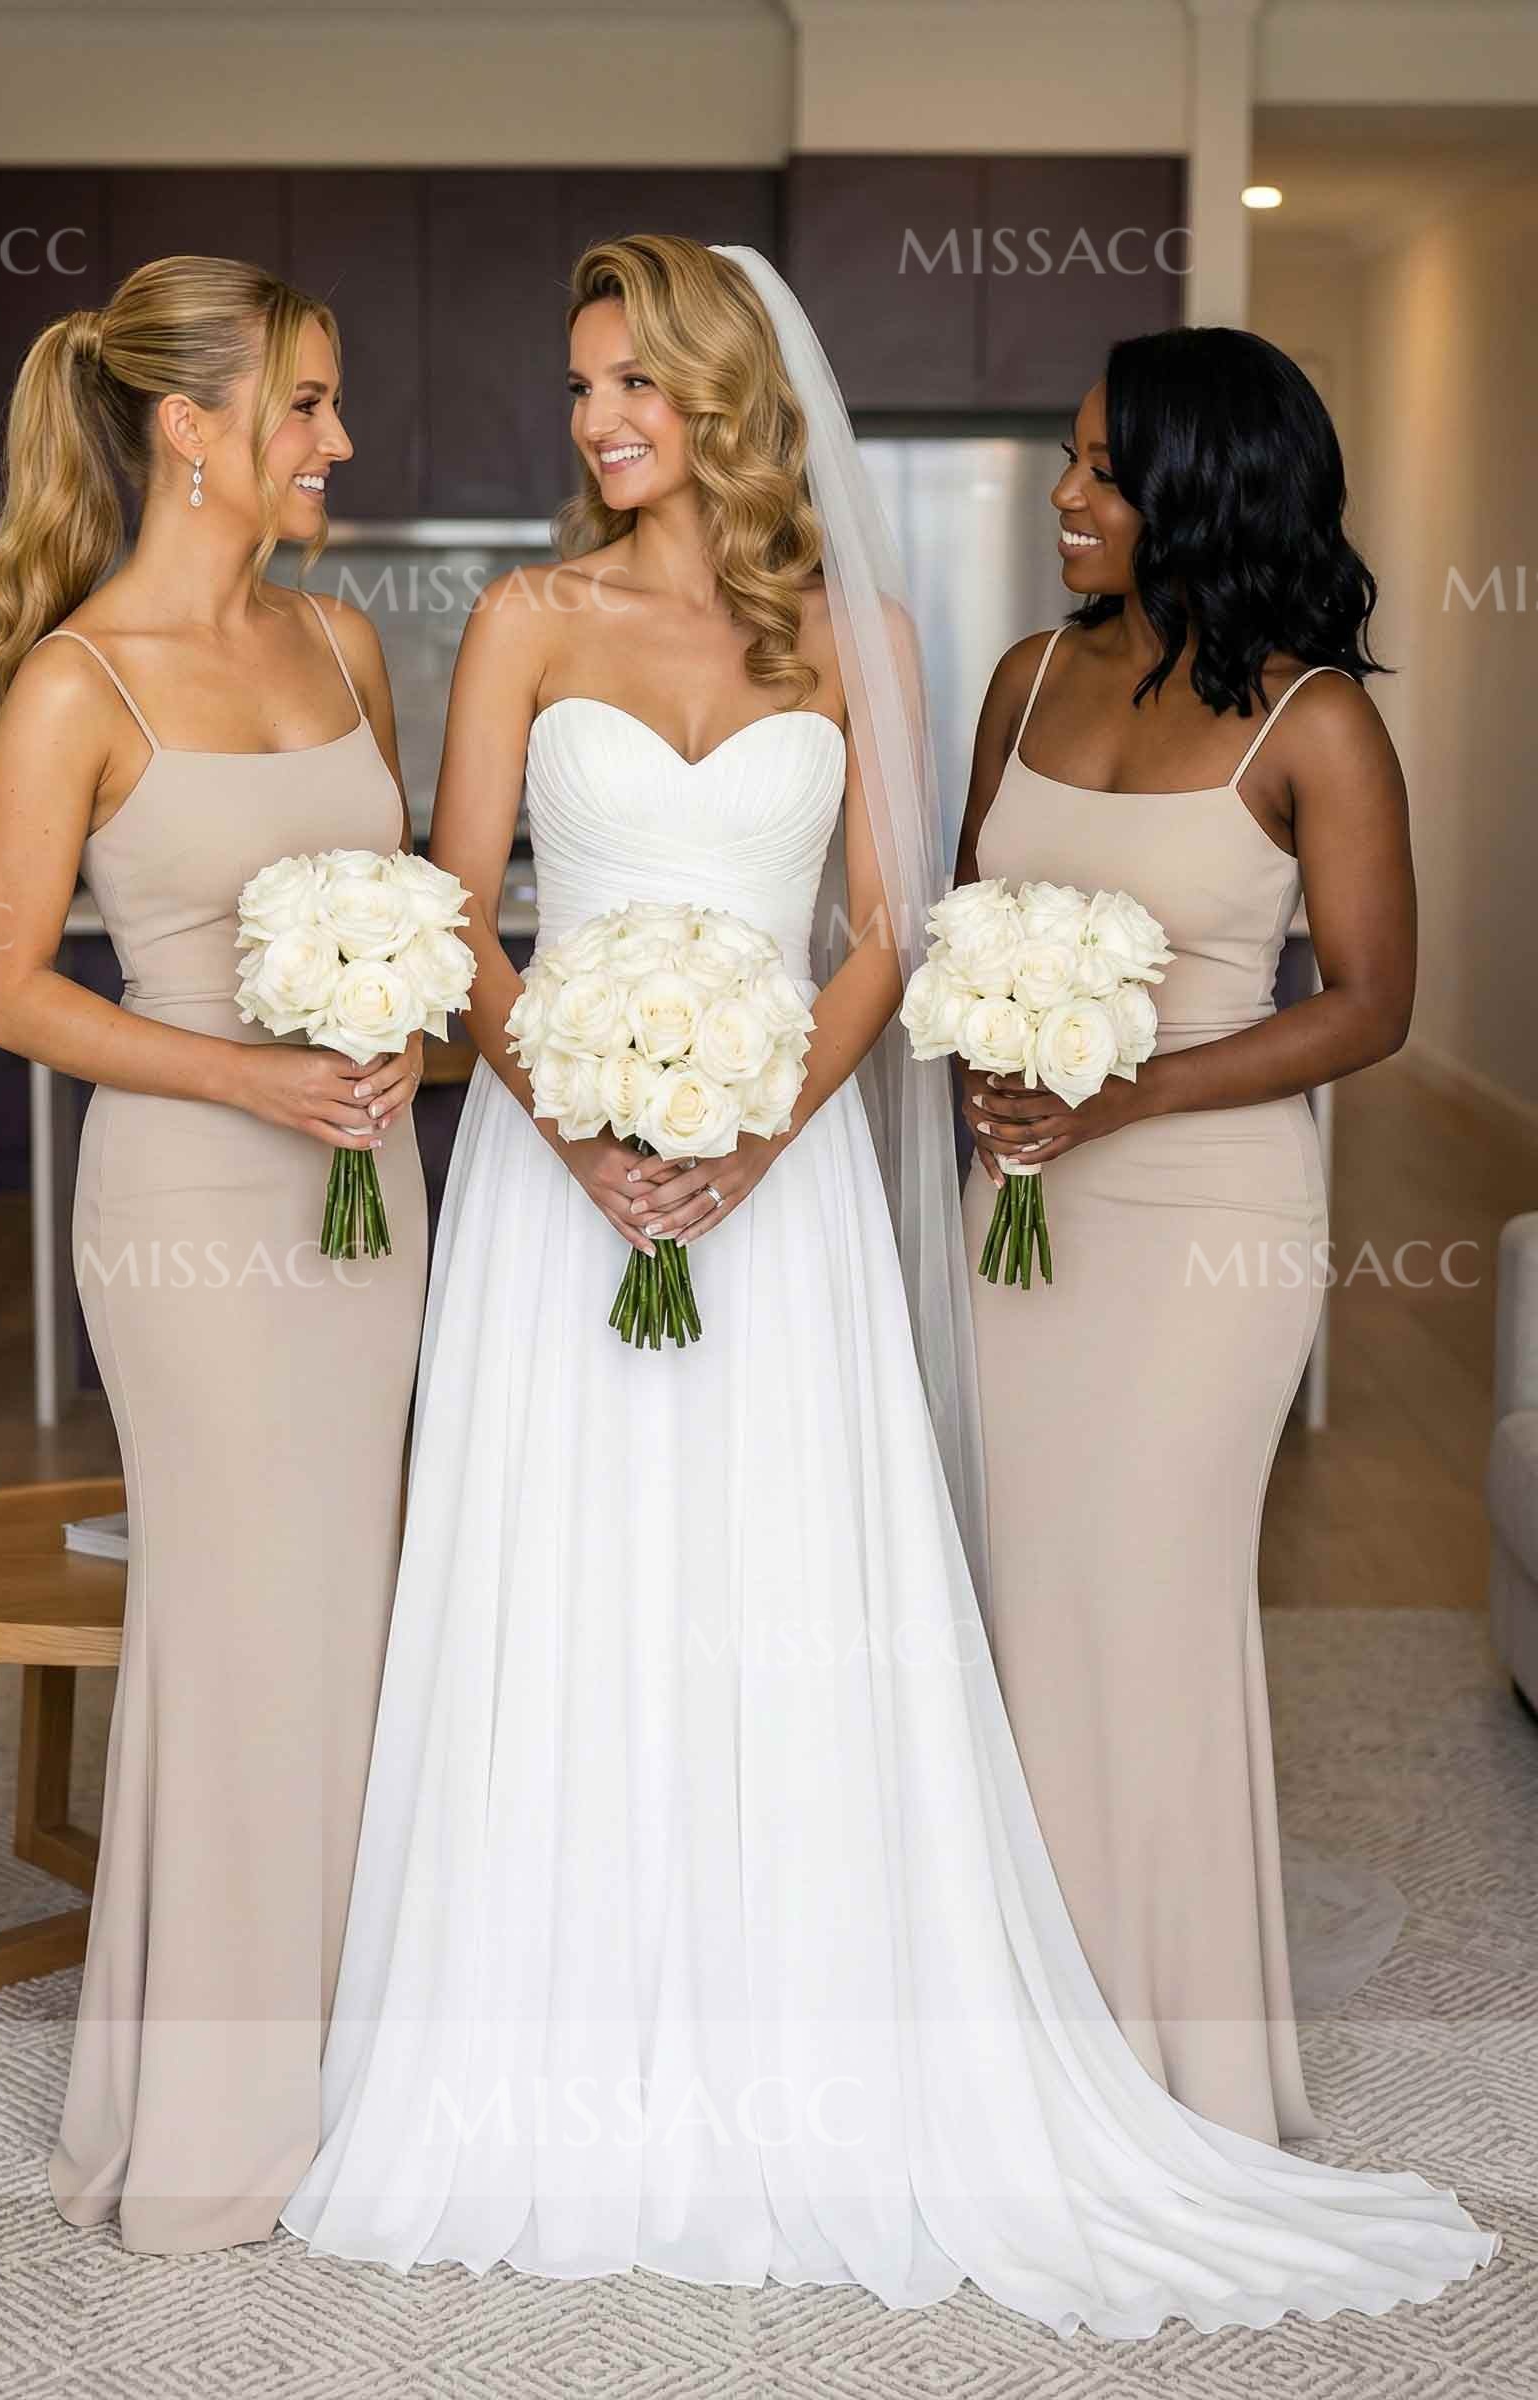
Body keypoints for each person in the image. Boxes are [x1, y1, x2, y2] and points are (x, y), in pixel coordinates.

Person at [278, 239, 1493, 2332]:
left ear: (726, 390)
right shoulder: (522, 619)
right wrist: (575, 1130)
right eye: (578, 387)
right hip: (552, 1200)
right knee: (558, 1579)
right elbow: (457, 911)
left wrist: (755, 1140)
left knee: (797, 1588)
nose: (597, 421)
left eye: (633, 381)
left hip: (792, 1193)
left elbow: (883, 931)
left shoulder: (871, 638)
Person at [0, 254, 426, 2251]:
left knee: (356, 1608)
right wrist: (249, 1075)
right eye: (305, 404)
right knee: (238, 1617)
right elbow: (1, 985)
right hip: (191, 1209)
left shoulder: (341, 641)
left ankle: (365, 2072)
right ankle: (221, 2113)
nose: (339, 440)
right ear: (190, 429)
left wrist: (414, 1040)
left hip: (370, 1198)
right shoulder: (82, 680)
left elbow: (418, 907)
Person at [956, 329, 1412, 2146]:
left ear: (1205, 490)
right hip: (1020, 1210)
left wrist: (1130, 1092)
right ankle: (1027, 2028)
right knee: (1028, 1598)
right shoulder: (1026, 678)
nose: (1068, 497)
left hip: (1206, 1219)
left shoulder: (1319, 723)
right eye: (1072, 460)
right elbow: (963, 928)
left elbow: (1371, 1003)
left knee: (1147, 1602)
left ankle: (1168, 2070)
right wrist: (987, 1082)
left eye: (1105, 469)